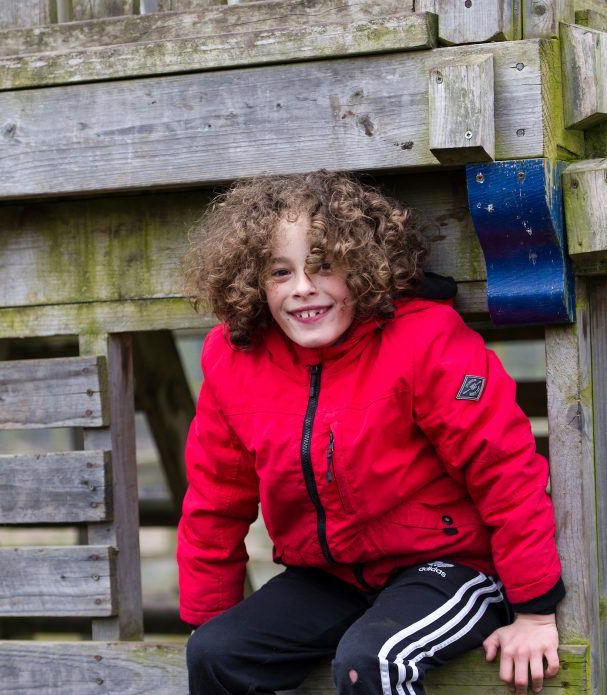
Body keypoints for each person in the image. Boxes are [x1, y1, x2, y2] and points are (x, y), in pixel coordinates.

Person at [177, 170, 564, 695]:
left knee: (374, 659)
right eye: (280, 272)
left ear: (360, 268)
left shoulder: (424, 339)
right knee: (215, 653)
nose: (303, 288)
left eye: (323, 266)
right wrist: (210, 616)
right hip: (330, 575)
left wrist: (535, 611)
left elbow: (504, 471)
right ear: (252, 280)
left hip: (448, 565)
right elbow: (214, 502)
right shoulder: (233, 359)